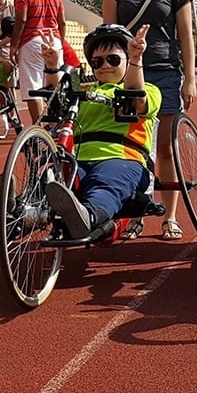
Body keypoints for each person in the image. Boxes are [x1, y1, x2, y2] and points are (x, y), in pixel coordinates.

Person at [102, 0, 197, 240]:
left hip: (166, 75)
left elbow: (186, 36)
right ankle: (136, 213)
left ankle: (170, 216)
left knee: (166, 149)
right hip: (127, 77)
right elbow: (108, 36)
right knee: (129, 147)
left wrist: (190, 78)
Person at [38, 23, 160, 244]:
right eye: (97, 62)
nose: (104, 66)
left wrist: (135, 59)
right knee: (48, 181)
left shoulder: (150, 89)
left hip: (122, 158)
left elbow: (136, 99)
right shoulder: (85, 91)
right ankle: (15, 214)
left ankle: (89, 215)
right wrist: (53, 63)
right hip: (79, 160)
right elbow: (59, 101)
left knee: (106, 181)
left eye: (113, 59)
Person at [11, 0, 76, 125]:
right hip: (53, 40)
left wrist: (14, 46)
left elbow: (21, 20)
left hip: (32, 40)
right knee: (55, 84)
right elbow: (62, 23)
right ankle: (58, 122)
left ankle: (37, 125)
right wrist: (59, 42)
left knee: (33, 85)